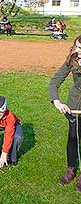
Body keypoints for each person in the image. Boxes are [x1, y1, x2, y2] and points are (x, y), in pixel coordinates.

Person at [49, 35, 81, 191]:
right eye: (76, 47)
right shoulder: (72, 60)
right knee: (73, 138)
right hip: (74, 106)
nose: (77, 51)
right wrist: (57, 101)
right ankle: (71, 169)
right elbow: (55, 81)